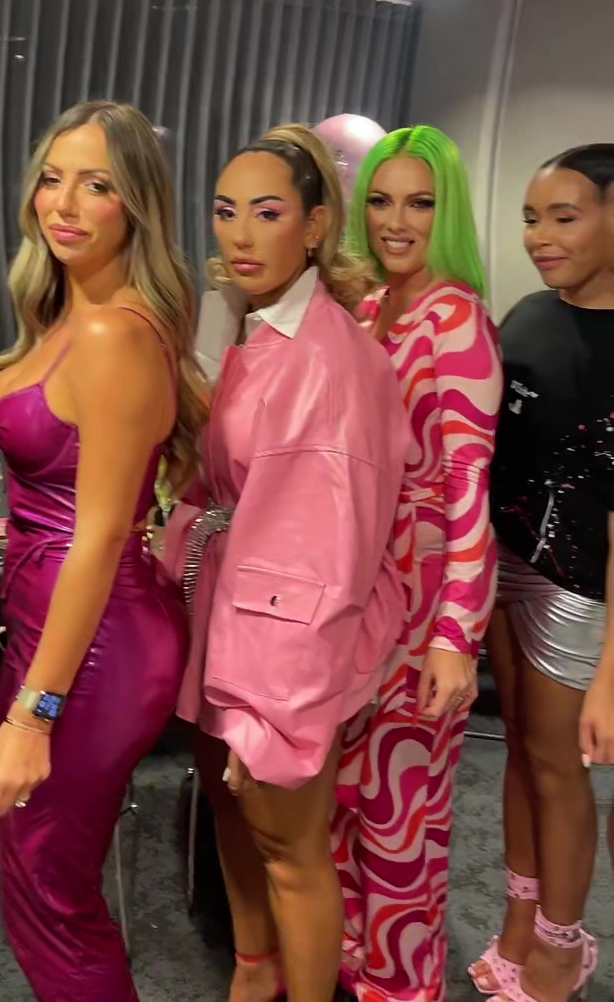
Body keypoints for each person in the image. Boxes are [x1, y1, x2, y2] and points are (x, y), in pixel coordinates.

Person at [162, 124, 412, 1002]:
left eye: (266, 213)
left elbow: (323, 562)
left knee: (291, 851)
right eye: (225, 211)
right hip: (227, 614)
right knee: (236, 822)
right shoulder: (254, 326)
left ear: (314, 226)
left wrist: (263, 707)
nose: (240, 234)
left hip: (278, 649)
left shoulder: (327, 361)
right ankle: (253, 971)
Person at [0, 101, 207, 1001]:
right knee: (29, 869)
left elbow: (102, 533)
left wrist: (34, 717)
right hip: (54, 623)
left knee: (48, 886)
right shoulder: (73, 317)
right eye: (52, 178)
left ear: (135, 205)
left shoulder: (115, 333)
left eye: (97, 185)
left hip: (98, 641)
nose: (64, 204)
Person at [335, 125, 503, 1002]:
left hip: (425, 604)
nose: (396, 221)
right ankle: (354, 969)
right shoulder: (370, 310)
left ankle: (402, 988)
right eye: (381, 200)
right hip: (356, 596)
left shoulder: (457, 317)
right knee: (347, 808)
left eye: (420, 202)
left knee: (402, 824)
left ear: (449, 214)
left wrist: (455, 638)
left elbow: (469, 488)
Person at [469, 144, 614, 1002]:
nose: (539, 236)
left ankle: (563, 944)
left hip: (580, 589)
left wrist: (612, 674)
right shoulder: (523, 317)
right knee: (520, 753)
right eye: (531, 218)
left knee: (560, 770)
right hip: (505, 566)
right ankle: (519, 922)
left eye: (564, 216)